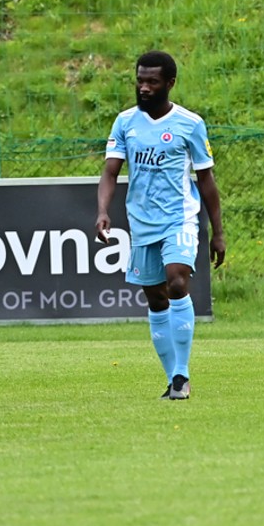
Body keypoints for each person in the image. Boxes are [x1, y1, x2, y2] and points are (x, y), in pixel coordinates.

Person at [97, 51, 225, 400]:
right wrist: (103, 211)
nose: (144, 87)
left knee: (176, 280)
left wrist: (218, 232)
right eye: (140, 80)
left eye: (152, 81)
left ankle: (183, 374)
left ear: (170, 83)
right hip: (141, 223)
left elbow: (207, 180)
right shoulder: (125, 122)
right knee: (155, 299)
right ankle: (173, 381)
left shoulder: (190, 124)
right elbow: (110, 172)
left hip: (179, 218)